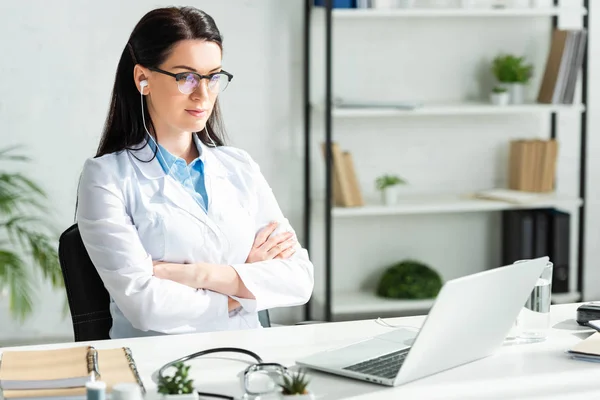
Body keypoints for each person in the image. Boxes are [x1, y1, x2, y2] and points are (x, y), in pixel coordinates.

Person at [76, 6, 314, 339]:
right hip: (157, 368)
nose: (203, 94)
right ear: (143, 79)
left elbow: (299, 280)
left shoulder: (239, 167)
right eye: (186, 77)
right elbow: (146, 306)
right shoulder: (105, 177)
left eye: (213, 77)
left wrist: (196, 276)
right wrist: (246, 283)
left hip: (249, 354)